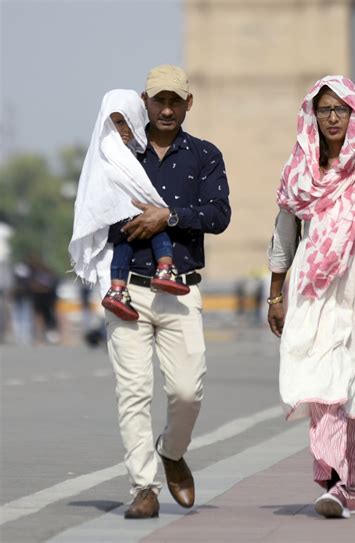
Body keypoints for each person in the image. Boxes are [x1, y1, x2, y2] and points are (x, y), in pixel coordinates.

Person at [267, 75, 355, 519]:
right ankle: (335, 479)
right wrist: (275, 294)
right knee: (321, 377)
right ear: (312, 112)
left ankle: (346, 482)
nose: (332, 117)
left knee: (352, 382)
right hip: (313, 281)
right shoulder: (298, 168)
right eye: (324, 109)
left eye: (340, 109)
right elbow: (284, 233)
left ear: (353, 113)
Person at [104, 65, 230, 518]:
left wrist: (169, 217)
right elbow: (97, 212)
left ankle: (172, 452)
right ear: (145, 101)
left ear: (188, 103)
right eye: (159, 100)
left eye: (176, 100)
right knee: (133, 392)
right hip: (128, 290)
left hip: (181, 290)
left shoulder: (205, 155)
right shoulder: (120, 155)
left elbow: (218, 215)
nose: (168, 109)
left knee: (185, 392)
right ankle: (143, 487)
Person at [69, 89, 189, 324]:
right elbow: (97, 192)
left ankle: (118, 288)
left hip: (129, 221)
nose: (122, 129)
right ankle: (164, 268)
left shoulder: (138, 153)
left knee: (145, 227)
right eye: (116, 122)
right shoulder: (105, 151)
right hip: (116, 220)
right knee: (153, 222)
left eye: (126, 122)